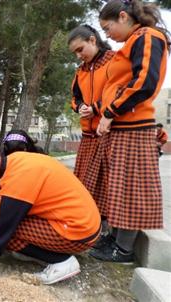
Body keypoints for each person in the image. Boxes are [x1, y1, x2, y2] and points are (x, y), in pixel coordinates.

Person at [0, 144, 101, 288]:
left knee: (7, 234)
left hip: (79, 231)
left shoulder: (15, 184)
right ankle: (46, 253)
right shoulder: (13, 161)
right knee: (3, 226)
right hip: (84, 221)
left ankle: (62, 261)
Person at [89, 0, 169, 263]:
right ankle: (115, 238)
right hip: (121, 127)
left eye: (107, 27)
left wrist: (111, 112)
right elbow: (118, 85)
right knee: (118, 188)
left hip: (134, 128)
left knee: (131, 189)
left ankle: (123, 249)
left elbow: (145, 82)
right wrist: (100, 109)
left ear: (123, 16)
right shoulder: (130, 43)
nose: (107, 34)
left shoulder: (148, 36)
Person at [0, 130, 45, 243]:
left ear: (25, 150)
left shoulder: (38, 159)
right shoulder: (4, 163)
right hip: (23, 203)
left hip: (39, 207)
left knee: (6, 230)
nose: (15, 160)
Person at [68, 25, 114, 187]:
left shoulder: (114, 60)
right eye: (75, 52)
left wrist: (95, 108)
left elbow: (120, 93)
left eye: (80, 49)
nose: (78, 56)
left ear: (93, 40)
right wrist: (80, 107)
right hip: (88, 138)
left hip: (109, 135)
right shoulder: (80, 71)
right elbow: (75, 98)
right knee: (84, 188)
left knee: (109, 189)